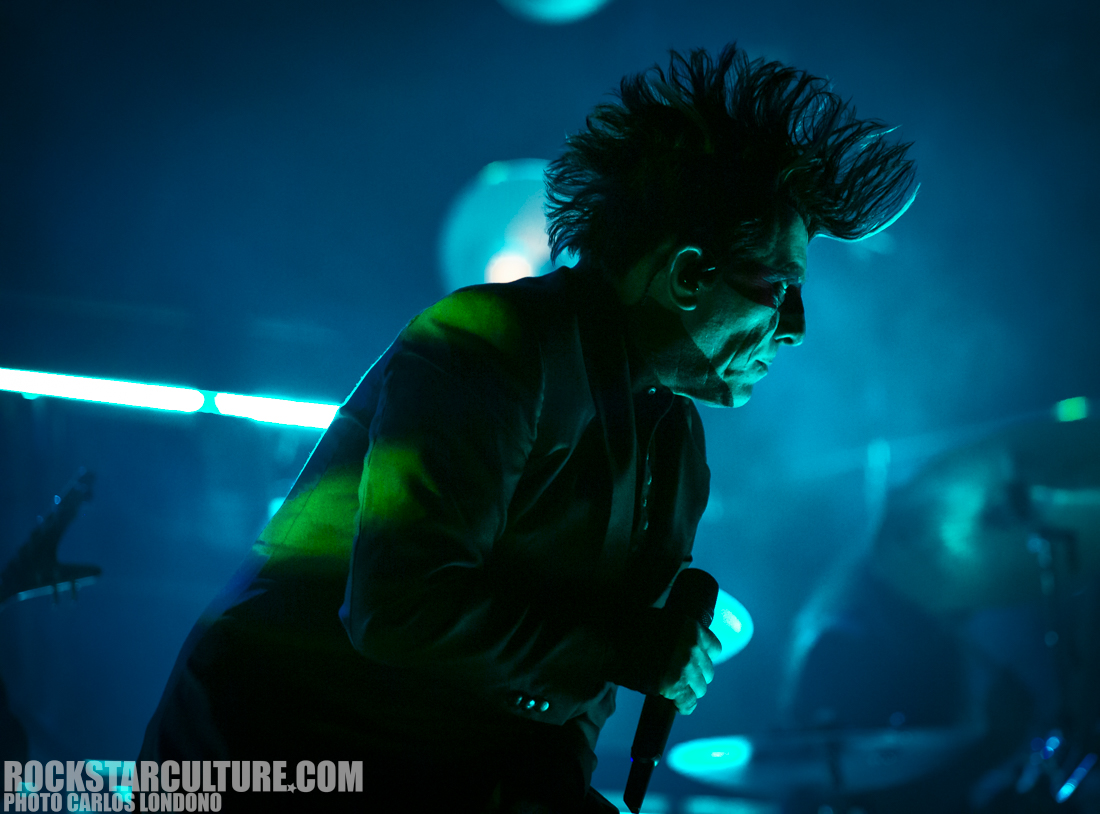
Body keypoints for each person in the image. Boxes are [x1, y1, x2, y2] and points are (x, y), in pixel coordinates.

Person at [139, 44, 916, 812]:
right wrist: (624, 649)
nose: (797, 327)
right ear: (685, 274)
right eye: (779, 288)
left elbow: (574, 701)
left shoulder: (675, 443)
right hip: (258, 757)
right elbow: (402, 609)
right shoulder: (489, 344)